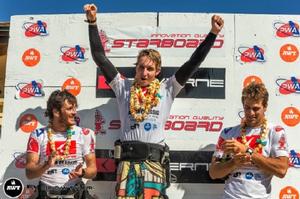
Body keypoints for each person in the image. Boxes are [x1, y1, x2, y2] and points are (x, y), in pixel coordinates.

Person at [84, 3, 224, 198]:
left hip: (154, 165)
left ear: (157, 72)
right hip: (127, 165)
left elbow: (193, 63)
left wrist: (212, 34)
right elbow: (100, 58)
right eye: (141, 67)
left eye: (150, 69)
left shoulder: (168, 87)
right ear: (136, 68)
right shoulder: (123, 86)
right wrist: (92, 22)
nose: (144, 72)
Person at [209, 82, 289, 199]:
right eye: (247, 108)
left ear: (265, 106)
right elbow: (213, 173)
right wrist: (234, 163)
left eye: (255, 108)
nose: (250, 113)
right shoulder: (228, 133)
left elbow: (282, 170)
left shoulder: (276, 131)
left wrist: (248, 151)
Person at [25, 90, 97, 199]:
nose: (74, 112)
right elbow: (29, 173)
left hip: (76, 193)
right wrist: (46, 165)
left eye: (74, 108)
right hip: (46, 193)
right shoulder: (38, 134)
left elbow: (93, 170)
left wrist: (82, 172)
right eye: (69, 109)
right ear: (56, 112)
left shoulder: (85, 133)